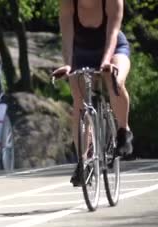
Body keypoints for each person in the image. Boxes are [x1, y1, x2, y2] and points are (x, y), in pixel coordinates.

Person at [52, 0, 133, 186]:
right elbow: (67, 37)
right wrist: (68, 65)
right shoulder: (68, 3)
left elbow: (112, 34)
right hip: (81, 52)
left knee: (115, 81)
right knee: (79, 103)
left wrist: (106, 62)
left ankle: (123, 130)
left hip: (112, 49)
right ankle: (84, 161)